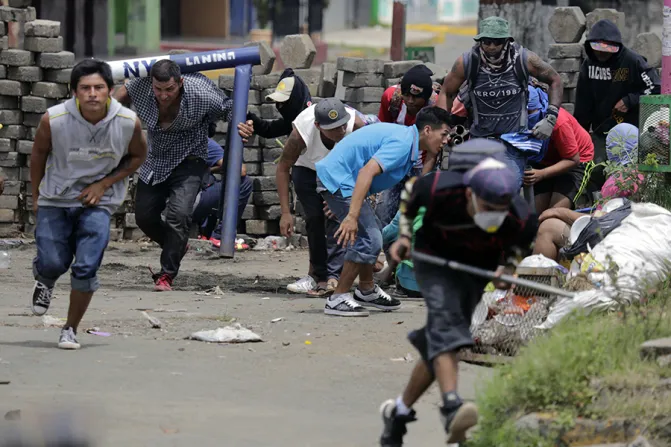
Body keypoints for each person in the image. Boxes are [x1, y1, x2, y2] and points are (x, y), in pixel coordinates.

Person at [378, 154, 536, 445]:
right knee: (447, 324)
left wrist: (509, 270)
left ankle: (399, 412)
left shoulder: (521, 215)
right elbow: (410, 193)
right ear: (469, 193)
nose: (493, 214)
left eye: (499, 210)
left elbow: (518, 246)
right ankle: (451, 407)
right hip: (434, 259)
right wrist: (403, 237)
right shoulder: (440, 188)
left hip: (476, 267)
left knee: (438, 340)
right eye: (487, 208)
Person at [29, 59, 147, 349]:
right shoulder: (53, 119)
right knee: (53, 261)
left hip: (99, 202)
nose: (92, 93)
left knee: (86, 266)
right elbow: (38, 155)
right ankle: (45, 278)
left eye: (99, 87)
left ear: (110, 90)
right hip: (56, 198)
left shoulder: (127, 122)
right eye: (85, 88)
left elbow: (138, 157)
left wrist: (104, 183)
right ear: (74, 92)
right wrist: (36, 196)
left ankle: (70, 328)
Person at [114, 60, 251, 291]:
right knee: (144, 217)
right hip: (156, 158)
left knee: (179, 215)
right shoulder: (141, 86)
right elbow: (117, 99)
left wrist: (245, 125)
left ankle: (166, 275)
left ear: (180, 82)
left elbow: (232, 108)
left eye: (169, 89)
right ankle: (176, 246)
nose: (164, 95)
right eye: (158, 89)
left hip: (190, 159)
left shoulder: (201, 93)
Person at [315, 106, 450, 317]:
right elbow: (367, 171)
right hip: (341, 179)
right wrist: (351, 214)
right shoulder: (403, 143)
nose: (446, 140)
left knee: (371, 231)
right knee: (369, 238)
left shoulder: (407, 140)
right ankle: (338, 298)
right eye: (443, 134)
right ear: (427, 130)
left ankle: (367, 290)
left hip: (342, 180)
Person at [438, 16, 563, 187]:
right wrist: (443, 127)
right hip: (480, 140)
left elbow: (555, 80)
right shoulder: (467, 62)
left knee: (503, 190)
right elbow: (446, 91)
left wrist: (551, 118)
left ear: (506, 41)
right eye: (487, 41)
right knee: (474, 192)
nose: (491, 47)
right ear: (480, 40)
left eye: (497, 42)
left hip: (512, 142)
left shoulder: (524, 59)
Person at [275, 98, 368, 297]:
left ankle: (335, 276)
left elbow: (367, 164)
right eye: (333, 129)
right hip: (307, 168)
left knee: (336, 214)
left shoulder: (357, 126)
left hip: (341, 169)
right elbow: (283, 168)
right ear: (318, 126)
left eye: (342, 126)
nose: (340, 132)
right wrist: (285, 212)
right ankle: (318, 276)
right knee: (314, 217)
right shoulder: (302, 132)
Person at [534, 123, 642, 261]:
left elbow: (602, 221)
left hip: (610, 237)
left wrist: (559, 212)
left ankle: (537, 280)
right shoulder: (641, 173)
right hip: (623, 233)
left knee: (548, 227)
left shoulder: (620, 180)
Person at [574, 19, 660, 161]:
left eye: (607, 50)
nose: (602, 54)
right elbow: (583, 105)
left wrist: (629, 100)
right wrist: (579, 136)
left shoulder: (633, 61)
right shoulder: (588, 65)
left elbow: (656, 87)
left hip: (631, 132)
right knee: (596, 171)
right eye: (598, 50)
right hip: (601, 131)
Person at [521, 84, 594, 212]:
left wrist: (542, 174)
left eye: (530, 113)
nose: (527, 117)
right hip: (544, 160)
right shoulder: (515, 121)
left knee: (553, 214)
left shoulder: (559, 123)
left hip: (575, 161)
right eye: (523, 113)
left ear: (539, 107)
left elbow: (573, 159)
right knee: (535, 213)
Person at [191, 138, 252, 248]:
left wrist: (210, 170)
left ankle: (205, 233)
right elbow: (241, 171)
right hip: (190, 203)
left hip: (169, 207)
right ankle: (221, 236)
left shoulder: (168, 137)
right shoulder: (202, 141)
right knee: (243, 183)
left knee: (211, 182)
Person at [245, 68, 312, 139]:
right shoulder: (291, 121)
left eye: (284, 102)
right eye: (278, 103)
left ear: (296, 100)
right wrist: (248, 117)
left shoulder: (315, 122)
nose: (280, 107)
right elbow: (268, 129)